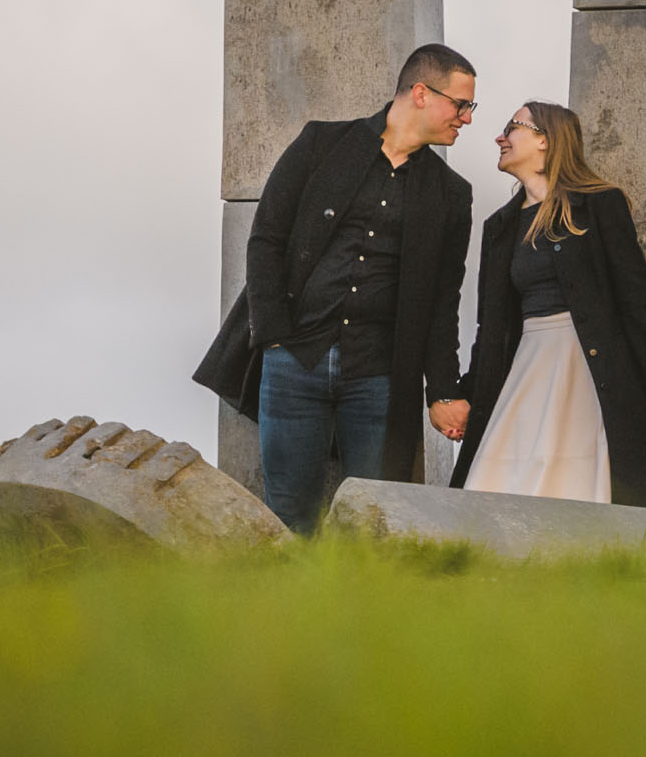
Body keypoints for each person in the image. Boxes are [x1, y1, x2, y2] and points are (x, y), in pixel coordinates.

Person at [194, 43, 478, 532]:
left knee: (374, 520)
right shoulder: (321, 144)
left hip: (382, 377)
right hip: (293, 361)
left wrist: (444, 390)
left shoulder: (452, 195)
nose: (467, 119)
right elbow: (265, 240)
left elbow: (441, 303)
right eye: (462, 104)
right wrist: (274, 337)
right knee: (287, 515)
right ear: (420, 93)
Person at [451, 101, 646, 508]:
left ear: (544, 139)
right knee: (503, 477)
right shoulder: (500, 227)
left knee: (580, 473)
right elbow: (490, 327)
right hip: (528, 363)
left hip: (591, 366)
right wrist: (468, 393)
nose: (500, 137)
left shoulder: (600, 204)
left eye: (513, 127)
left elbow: (633, 292)